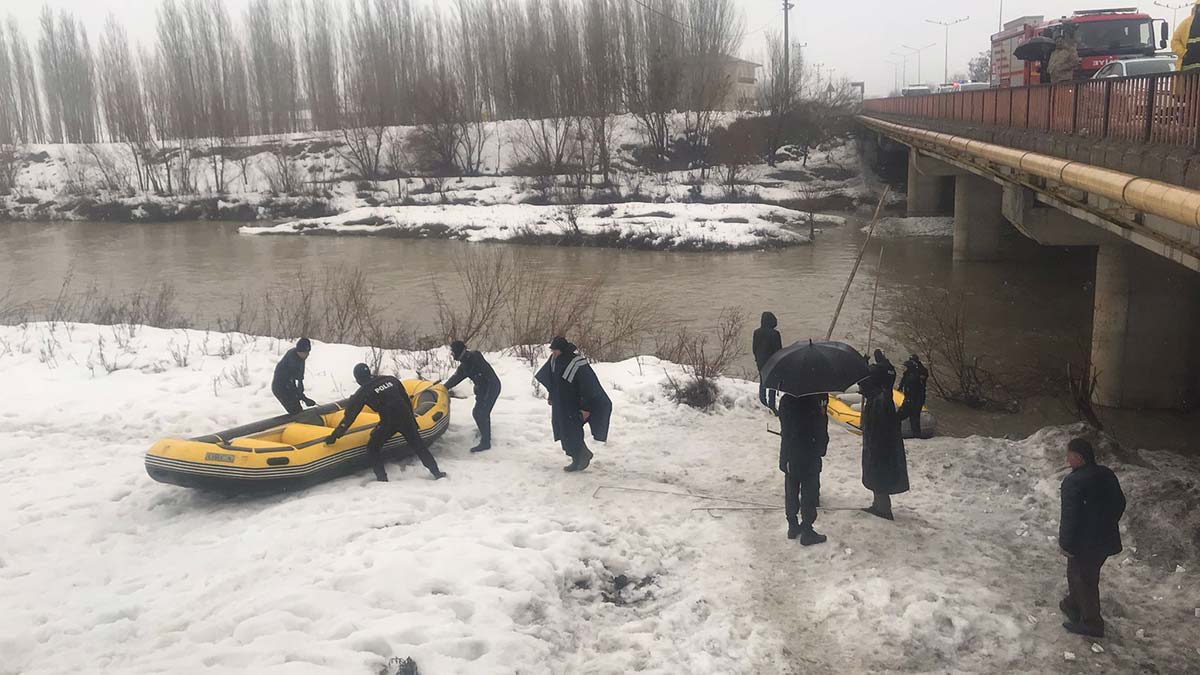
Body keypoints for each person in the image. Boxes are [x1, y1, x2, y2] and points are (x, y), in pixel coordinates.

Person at [326, 363, 446, 482]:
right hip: (405, 417)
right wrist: (412, 420)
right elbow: (405, 398)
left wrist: (335, 435)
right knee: (419, 446)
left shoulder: (363, 392)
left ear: (358, 379)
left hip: (389, 421)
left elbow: (349, 417)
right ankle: (436, 472)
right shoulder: (390, 379)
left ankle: (382, 478)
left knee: (372, 447)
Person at [1059, 438, 1126, 639]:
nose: (1066, 459)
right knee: (1078, 574)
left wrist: (1065, 544)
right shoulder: (1106, 474)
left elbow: (1070, 516)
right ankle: (1073, 604)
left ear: (1079, 458)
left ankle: (1092, 623)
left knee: (1084, 579)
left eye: (1069, 455)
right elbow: (1120, 503)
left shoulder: (1073, 482)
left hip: (1084, 543)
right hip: (1105, 539)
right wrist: (1107, 523)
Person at [535, 337, 612, 472]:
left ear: (562, 350)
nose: (553, 353)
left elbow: (589, 386)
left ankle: (581, 457)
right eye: (552, 350)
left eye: (555, 350)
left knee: (573, 431)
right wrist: (551, 395)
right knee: (563, 431)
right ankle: (576, 457)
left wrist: (586, 408)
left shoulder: (577, 362)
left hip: (574, 403)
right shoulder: (553, 360)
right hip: (560, 403)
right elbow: (553, 380)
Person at [860, 350, 909, 520]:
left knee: (878, 470)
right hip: (882, 441)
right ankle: (879, 504)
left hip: (880, 444)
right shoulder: (883, 393)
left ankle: (883, 508)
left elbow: (877, 427)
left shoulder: (878, 401)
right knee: (877, 470)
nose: (860, 390)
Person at [778, 392, 829, 545]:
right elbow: (820, 430)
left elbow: (785, 427)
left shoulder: (786, 400)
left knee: (791, 489)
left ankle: (792, 525)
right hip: (809, 453)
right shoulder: (814, 402)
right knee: (809, 492)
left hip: (789, 453)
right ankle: (807, 529)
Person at [444, 340, 502, 453]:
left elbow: (487, 376)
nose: (452, 355)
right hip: (482, 389)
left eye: (453, 352)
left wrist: (485, 397)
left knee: (480, 412)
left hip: (492, 387)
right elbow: (456, 378)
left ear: (458, 352)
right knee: (479, 413)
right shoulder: (465, 364)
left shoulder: (474, 357)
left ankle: (486, 442)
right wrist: (443, 387)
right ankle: (484, 432)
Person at [272, 338, 316, 414]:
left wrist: (302, 395)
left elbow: (299, 379)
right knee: (296, 411)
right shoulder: (292, 361)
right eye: (306, 352)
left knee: (298, 409)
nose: (308, 354)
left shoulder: (302, 357)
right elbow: (291, 385)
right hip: (280, 387)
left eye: (308, 352)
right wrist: (303, 398)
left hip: (289, 385)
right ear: (299, 351)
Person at [753, 312, 783, 411]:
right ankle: (772, 405)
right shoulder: (775, 334)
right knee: (772, 384)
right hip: (772, 361)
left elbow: (754, 348)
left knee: (763, 382)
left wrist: (757, 358)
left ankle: (763, 401)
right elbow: (778, 349)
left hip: (760, 361)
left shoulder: (756, 332)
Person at [897, 354, 929, 439]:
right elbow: (904, 380)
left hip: (914, 399)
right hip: (911, 398)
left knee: (912, 417)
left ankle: (915, 435)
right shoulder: (909, 373)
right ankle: (915, 435)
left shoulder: (919, 372)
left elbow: (917, 385)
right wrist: (900, 387)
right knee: (912, 417)